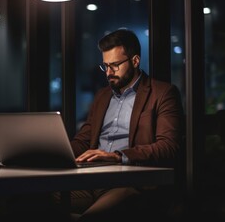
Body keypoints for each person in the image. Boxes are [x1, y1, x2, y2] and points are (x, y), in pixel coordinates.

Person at [62, 28, 184, 221]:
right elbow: (83, 141)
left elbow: (168, 147)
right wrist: (53, 152)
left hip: (131, 184)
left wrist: (118, 157)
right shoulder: (102, 96)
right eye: (105, 66)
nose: (109, 73)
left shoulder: (162, 93)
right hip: (91, 181)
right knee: (32, 202)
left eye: (115, 65)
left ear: (135, 61)